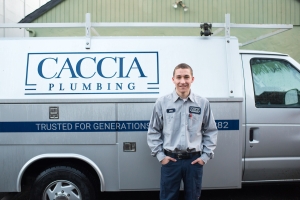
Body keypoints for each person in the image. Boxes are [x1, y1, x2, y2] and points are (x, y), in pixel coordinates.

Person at [147, 63, 218, 200]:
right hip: (170, 161)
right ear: (173, 79)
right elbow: (153, 131)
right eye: (179, 77)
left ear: (192, 79)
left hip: (194, 161)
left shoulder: (203, 103)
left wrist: (204, 157)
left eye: (186, 77)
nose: (182, 81)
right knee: (168, 198)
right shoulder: (162, 103)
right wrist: (161, 156)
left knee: (193, 197)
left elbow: (211, 131)